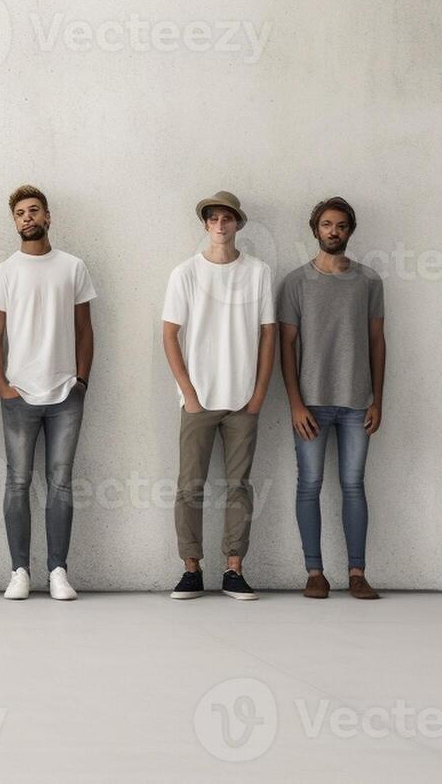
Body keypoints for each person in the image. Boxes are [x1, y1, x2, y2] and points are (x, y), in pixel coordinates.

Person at [0, 185, 96, 602]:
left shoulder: (72, 267)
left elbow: (84, 329)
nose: (27, 217)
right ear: (14, 222)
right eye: (19, 213)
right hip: (19, 395)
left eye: (34, 211)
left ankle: (58, 571)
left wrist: (81, 381)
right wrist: (2, 386)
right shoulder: (3, 273)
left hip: (66, 392)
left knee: (61, 483)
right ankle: (19, 571)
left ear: (48, 217)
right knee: (16, 482)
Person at [162, 192, 275, 602]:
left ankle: (233, 570)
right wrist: (189, 393)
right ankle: (190, 569)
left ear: (237, 224)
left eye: (228, 218)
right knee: (189, 486)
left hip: (244, 399)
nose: (221, 225)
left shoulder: (258, 272)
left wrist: (259, 393)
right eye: (214, 218)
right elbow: (169, 334)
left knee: (238, 486)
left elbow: (268, 335)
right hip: (199, 399)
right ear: (206, 225)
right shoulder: (185, 274)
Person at [278, 196, 386, 600]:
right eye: (326, 224)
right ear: (315, 230)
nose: (333, 231)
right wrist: (294, 403)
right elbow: (286, 347)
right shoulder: (294, 283)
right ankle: (315, 573)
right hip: (311, 403)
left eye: (340, 225)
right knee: (309, 484)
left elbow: (377, 342)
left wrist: (378, 399)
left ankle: (357, 573)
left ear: (350, 230)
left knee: (354, 485)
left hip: (358, 402)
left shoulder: (369, 281)